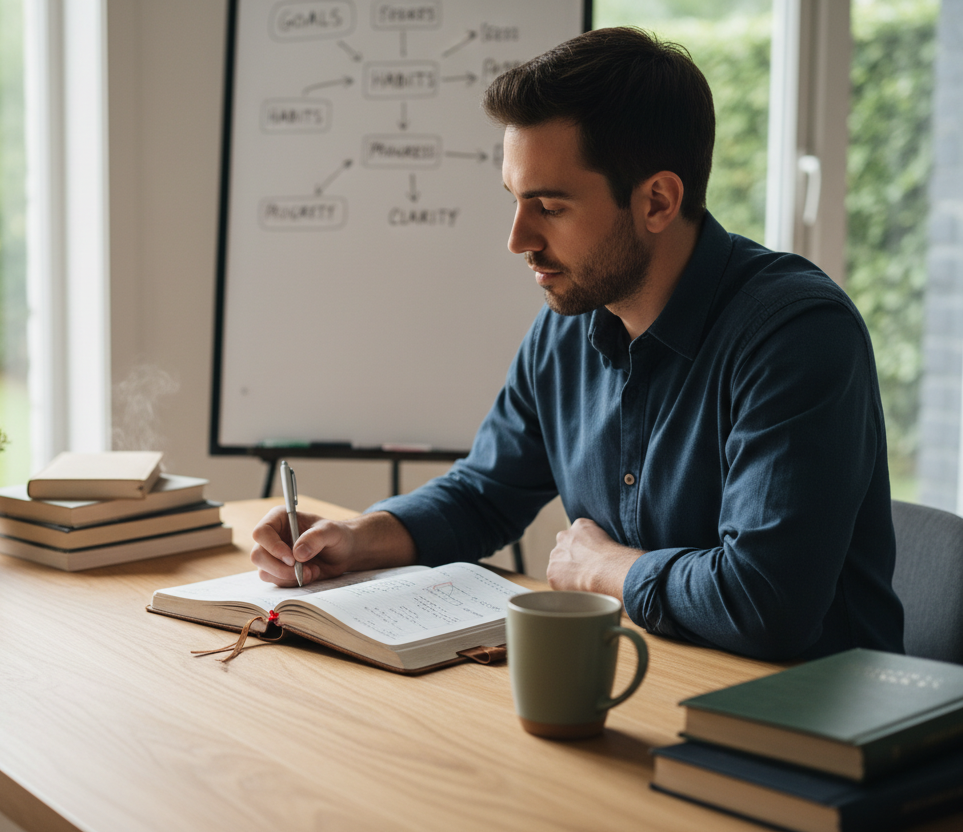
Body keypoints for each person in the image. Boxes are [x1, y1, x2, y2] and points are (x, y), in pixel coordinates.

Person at [249, 27, 904, 661]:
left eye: (550, 207)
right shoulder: (569, 325)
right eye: (514, 199)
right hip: (648, 680)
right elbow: (485, 494)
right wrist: (360, 538)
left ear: (657, 201)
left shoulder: (794, 335)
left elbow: (766, 604)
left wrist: (606, 568)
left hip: (818, 733)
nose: (518, 239)